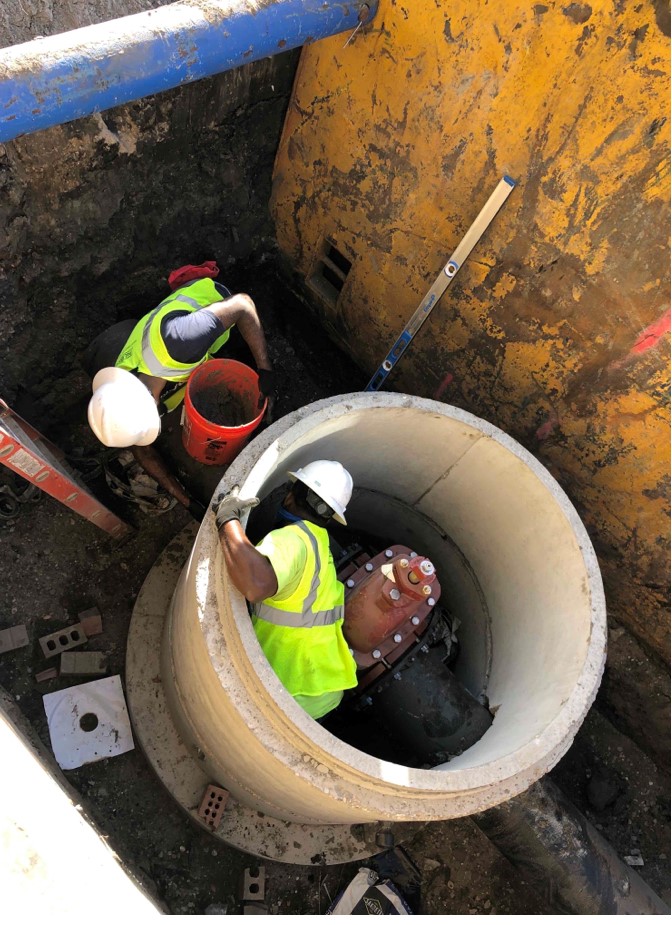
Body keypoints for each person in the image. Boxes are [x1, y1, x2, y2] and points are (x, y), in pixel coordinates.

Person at [84, 261, 276, 518]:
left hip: (216, 304)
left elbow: (243, 304)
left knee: (233, 339)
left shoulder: (180, 344)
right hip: (184, 332)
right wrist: (187, 502)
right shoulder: (123, 377)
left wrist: (265, 371)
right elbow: (141, 451)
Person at [213, 460, 358, 720]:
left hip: (292, 694)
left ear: (291, 496)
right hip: (325, 693)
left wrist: (227, 518)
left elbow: (254, 585)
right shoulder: (321, 550)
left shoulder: (294, 540)